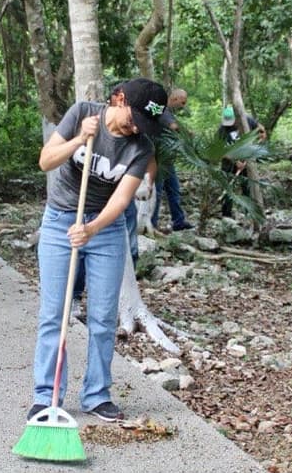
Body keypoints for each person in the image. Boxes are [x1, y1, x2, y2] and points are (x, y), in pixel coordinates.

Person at [30, 78, 169, 423]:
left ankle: (96, 394)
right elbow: (46, 161)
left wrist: (91, 229)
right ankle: (46, 396)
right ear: (118, 99)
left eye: (144, 123)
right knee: (56, 314)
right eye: (133, 117)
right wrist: (79, 138)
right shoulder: (82, 113)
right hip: (61, 218)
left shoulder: (142, 147)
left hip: (105, 228)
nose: (136, 126)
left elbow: (122, 200)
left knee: (103, 318)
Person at [151, 88, 193, 232]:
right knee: (156, 191)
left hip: (167, 160)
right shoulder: (162, 110)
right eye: (182, 102)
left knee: (174, 190)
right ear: (175, 99)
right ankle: (153, 222)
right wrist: (187, 133)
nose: (183, 106)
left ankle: (178, 221)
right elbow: (173, 127)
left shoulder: (171, 113)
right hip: (158, 159)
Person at [217, 104, 266, 218]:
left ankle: (248, 214)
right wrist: (235, 162)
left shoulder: (247, 120)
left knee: (247, 187)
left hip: (247, 161)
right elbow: (220, 151)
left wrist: (261, 137)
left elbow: (261, 130)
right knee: (228, 188)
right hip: (228, 163)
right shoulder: (222, 129)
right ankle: (226, 216)